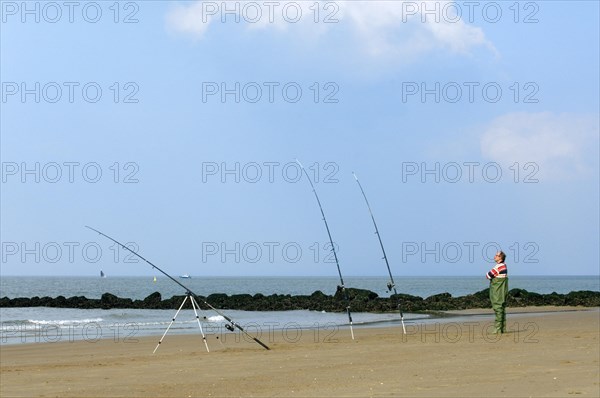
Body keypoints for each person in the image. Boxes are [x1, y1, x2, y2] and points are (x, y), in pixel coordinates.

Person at [486, 251, 508, 333]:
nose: (495, 256)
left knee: (498, 308)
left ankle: (497, 329)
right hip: (502, 290)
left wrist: (489, 274)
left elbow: (488, 275)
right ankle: (503, 329)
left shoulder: (499, 267)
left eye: (497, 255)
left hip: (497, 291)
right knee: (502, 307)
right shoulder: (504, 266)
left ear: (500, 258)